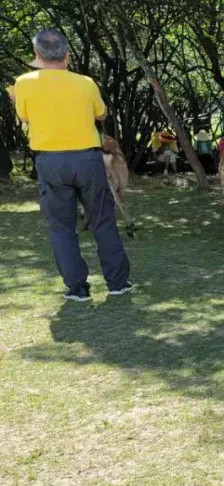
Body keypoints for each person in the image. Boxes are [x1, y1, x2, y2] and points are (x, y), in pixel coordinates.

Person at [11, 29, 131, 301]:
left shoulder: (23, 83)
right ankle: (117, 283)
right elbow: (101, 113)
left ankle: (78, 288)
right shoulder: (85, 82)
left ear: (37, 55)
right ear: (67, 55)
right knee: (103, 221)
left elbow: (24, 116)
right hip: (87, 159)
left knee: (62, 227)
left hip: (50, 161)